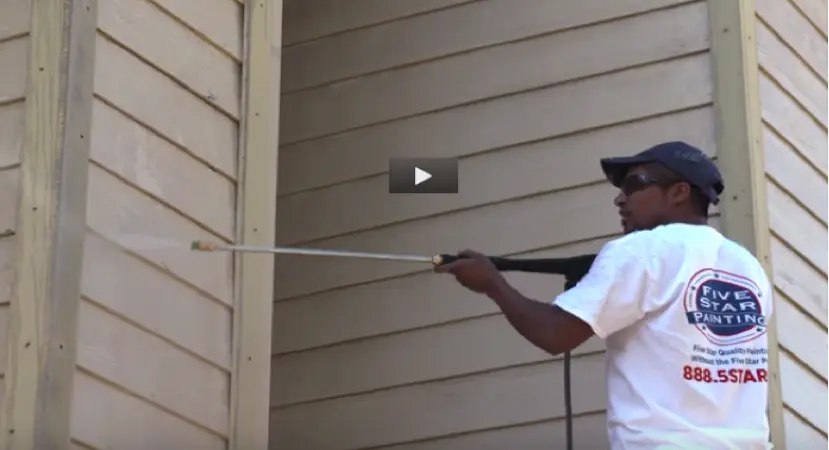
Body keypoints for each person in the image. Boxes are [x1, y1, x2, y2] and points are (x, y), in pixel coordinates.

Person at [435, 141, 773, 449]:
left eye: (633, 185)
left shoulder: (642, 250)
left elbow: (554, 334)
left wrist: (493, 284)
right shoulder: (747, 267)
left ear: (679, 192)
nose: (620, 198)